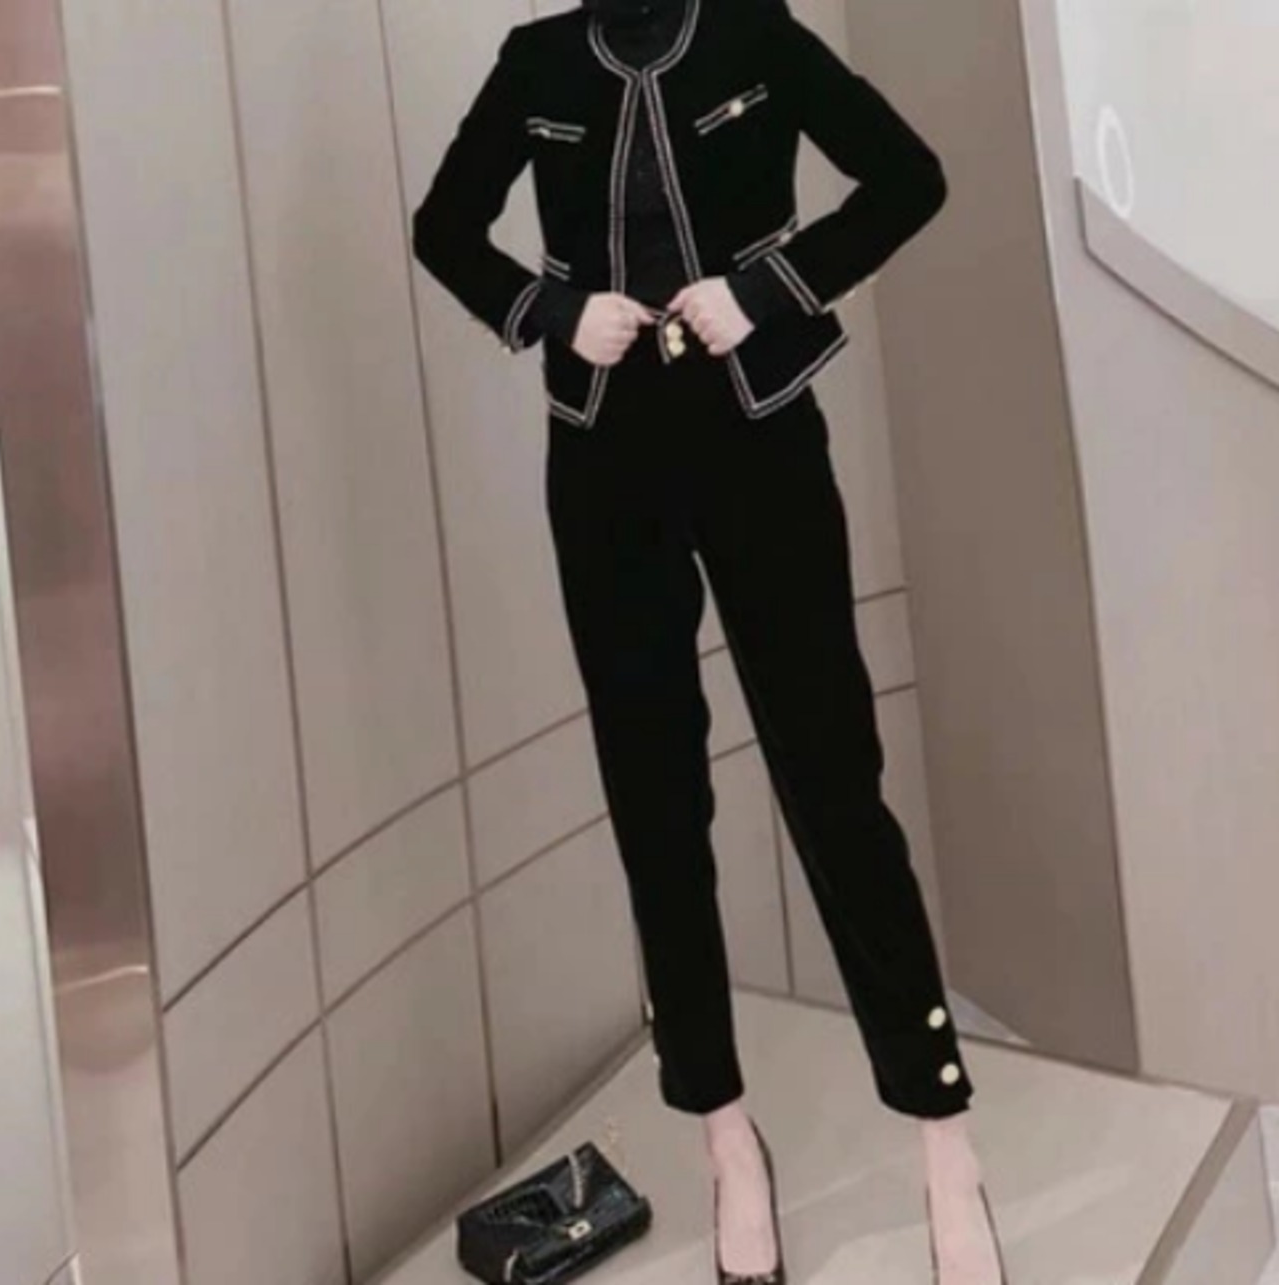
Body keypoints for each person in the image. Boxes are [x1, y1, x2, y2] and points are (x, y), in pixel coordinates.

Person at [412, 1, 1008, 1281]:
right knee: (654, 799)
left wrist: (765, 290)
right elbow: (442, 229)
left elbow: (908, 177)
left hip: (760, 447)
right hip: (603, 471)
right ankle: (725, 1140)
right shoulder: (539, 59)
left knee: (835, 785)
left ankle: (942, 1138)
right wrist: (548, 309)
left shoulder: (752, 35)